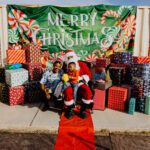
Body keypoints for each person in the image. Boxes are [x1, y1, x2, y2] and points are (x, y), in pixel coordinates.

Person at [63, 49, 94, 119]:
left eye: (71, 57)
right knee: (68, 91)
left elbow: (89, 74)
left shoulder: (81, 64)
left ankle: (83, 110)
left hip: (79, 82)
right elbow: (63, 75)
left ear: (74, 56)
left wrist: (81, 78)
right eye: (68, 58)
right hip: (69, 83)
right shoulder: (66, 66)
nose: (70, 59)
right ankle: (70, 109)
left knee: (88, 92)